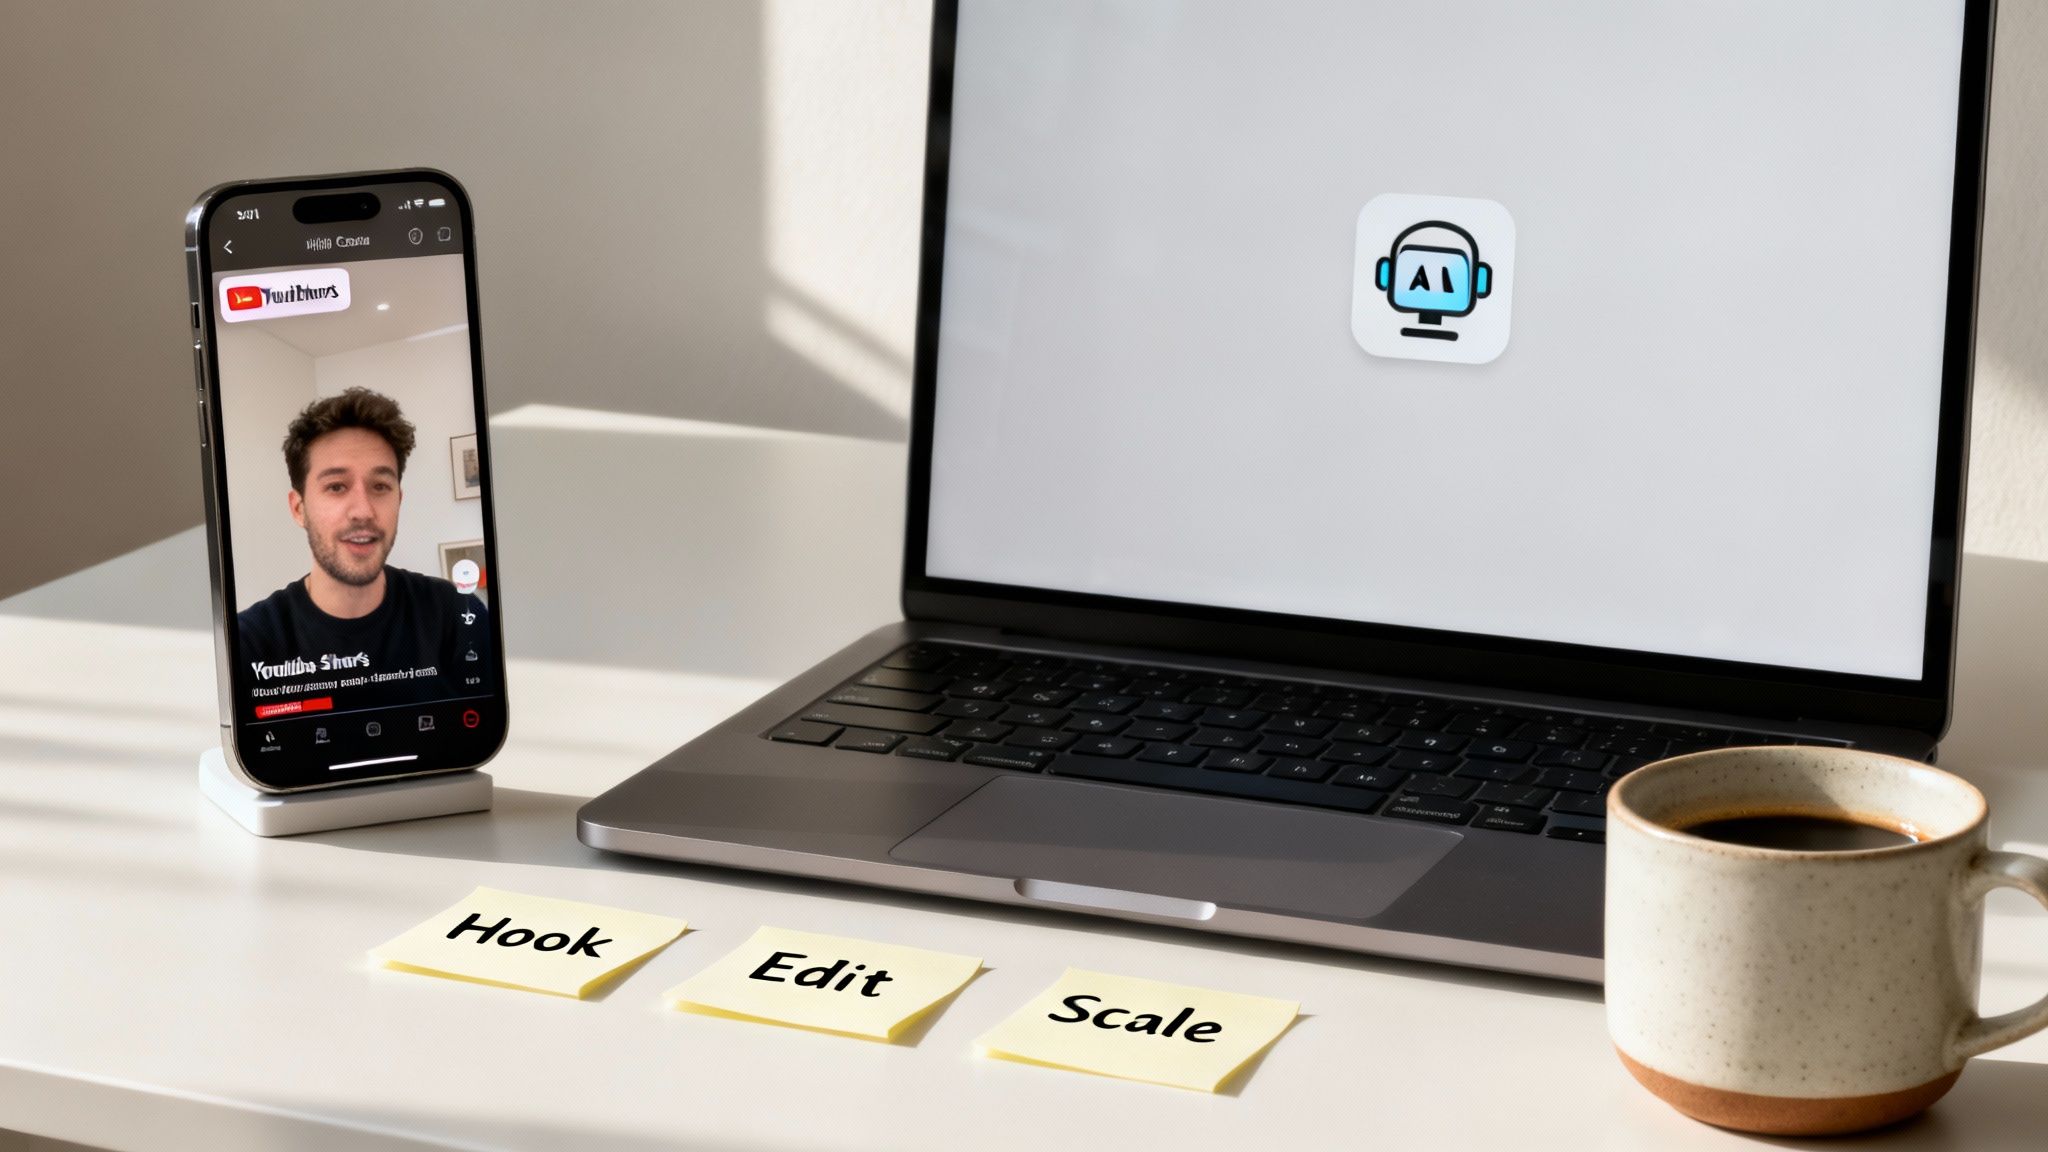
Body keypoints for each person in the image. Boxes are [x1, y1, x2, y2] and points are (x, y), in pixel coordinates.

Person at [236, 387, 490, 712]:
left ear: (398, 500)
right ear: (299, 508)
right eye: (337, 487)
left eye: (380, 486)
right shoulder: (250, 643)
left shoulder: (459, 618)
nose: (363, 511)